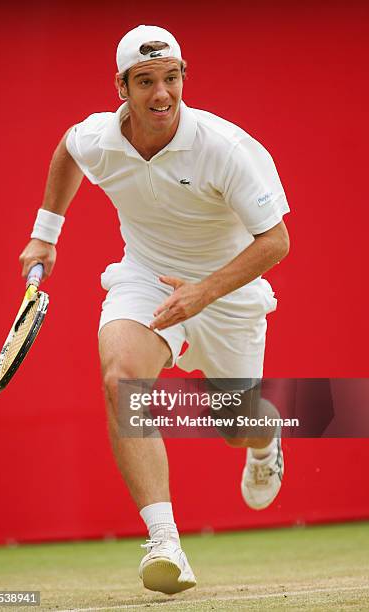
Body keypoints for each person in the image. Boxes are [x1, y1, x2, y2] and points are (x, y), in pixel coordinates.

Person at [19, 24, 290, 595]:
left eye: (171, 78)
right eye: (145, 82)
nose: (161, 94)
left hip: (229, 291)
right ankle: (165, 542)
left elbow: (276, 242)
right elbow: (69, 147)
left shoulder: (227, 148)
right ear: (121, 86)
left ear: (184, 77)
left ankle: (264, 439)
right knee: (121, 380)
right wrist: (46, 234)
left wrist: (202, 292)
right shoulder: (99, 138)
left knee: (236, 427)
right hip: (145, 273)